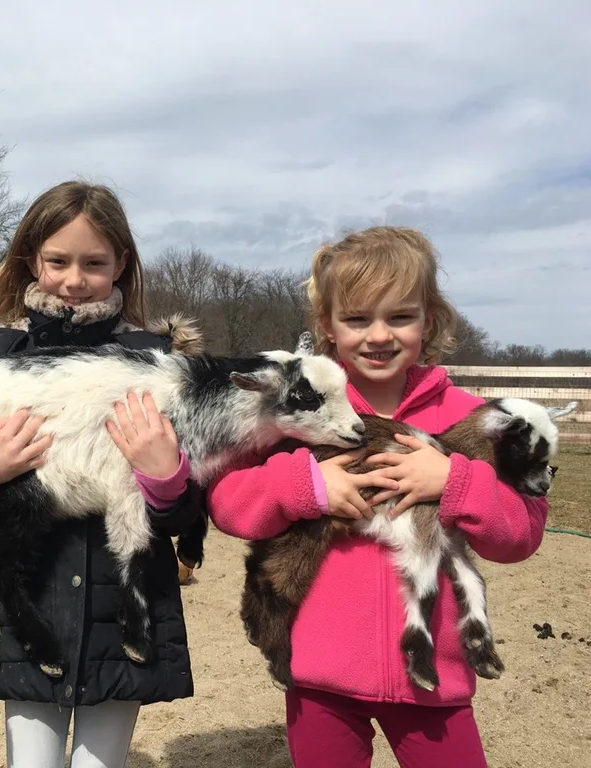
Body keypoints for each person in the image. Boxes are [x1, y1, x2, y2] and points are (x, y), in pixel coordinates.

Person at [206, 226, 548, 768]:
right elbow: (228, 503)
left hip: (431, 678)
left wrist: (455, 482)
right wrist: (307, 487)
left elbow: (522, 534)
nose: (378, 335)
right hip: (321, 674)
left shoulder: (473, 420)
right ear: (328, 327)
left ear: (428, 320)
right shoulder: (304, 408)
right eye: (358, 318)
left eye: (400, 316)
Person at [0, 180, 205, 768]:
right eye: (58, 260)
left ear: (121, 265)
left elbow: (187, 517)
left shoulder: (158, 364)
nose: (74, 280)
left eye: (94, 262)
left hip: (120, 604)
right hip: (31, 591)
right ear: (33, 258)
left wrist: (166, 476)